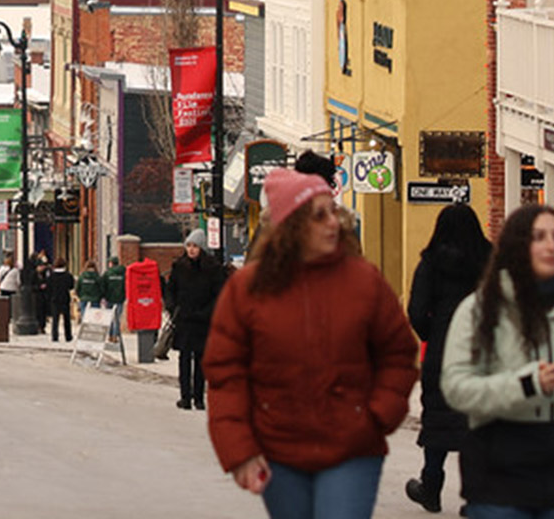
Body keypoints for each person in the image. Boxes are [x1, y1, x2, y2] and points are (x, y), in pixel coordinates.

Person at [204, 168, 418, 518]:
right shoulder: (247, 291)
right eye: (318, 215)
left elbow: (397, 354)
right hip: (279, 451)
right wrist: (239, 451)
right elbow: (226, 375)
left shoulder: (364, 281)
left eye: (333, 211)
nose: (332, 223)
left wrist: (377, 415)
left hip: (352, 449)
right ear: (291, 225)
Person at [440, 203, 554, 518]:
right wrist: (527, 383)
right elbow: (457, 388)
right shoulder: (480, 310)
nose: (551, 245)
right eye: (539, 237)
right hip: (500, 467)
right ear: (517, 245)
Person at [402, 202, 492, 513]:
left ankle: (431, 486)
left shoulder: (431, 263)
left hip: (443, 349)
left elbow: (415, 310)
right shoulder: (490, 260)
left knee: (439, 419)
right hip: (482, 350)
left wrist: (431, 333)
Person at [166, 228, 225, 409]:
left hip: (203, 321)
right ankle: (185, 396)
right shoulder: (179, 267)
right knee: (184, 358)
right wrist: (173, 307)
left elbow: (219, 295)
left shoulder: (213, 269)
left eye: (195, 246)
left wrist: (207, 312)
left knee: (201, 359)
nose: (191, 249)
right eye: (189, 246)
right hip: (184, 319)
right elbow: (170, 290)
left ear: (202, 248)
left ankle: (199, 397)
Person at [46, 256, 75, 342]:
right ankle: (68, 336)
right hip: (65, 298)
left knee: (55, 319)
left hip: (55, 299)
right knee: (67, 318)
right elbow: (71, 286)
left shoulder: (51, 276)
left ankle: (55, 336)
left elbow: (48, 288)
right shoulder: (68, 275)